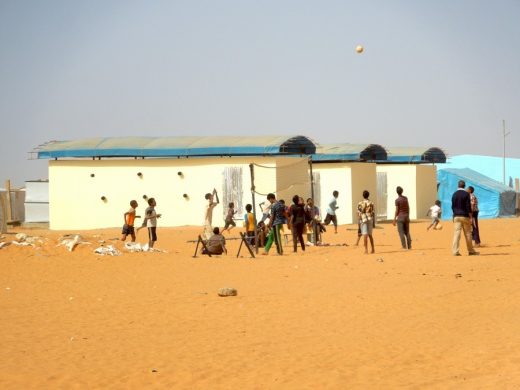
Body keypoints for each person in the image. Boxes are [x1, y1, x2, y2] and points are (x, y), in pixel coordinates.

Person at [451, 180, 479, 256]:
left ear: (458, 185)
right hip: (465, 216)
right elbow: (468, 206)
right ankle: (471, 251)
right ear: (464, 186)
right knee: (468, 234)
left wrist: (454, 215)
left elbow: (453, 206)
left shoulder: (454, 194)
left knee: (456, 234)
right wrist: (470, 217)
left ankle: (455, 251)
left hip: (456, 216)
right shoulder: (466, 194)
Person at [357, 190, 375, 254]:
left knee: (365, 235)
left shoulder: (360, 203)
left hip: (363, 219)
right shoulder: (371, 203)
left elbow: (359, 214)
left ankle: (366, 250)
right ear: (368, 195)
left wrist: (359, 224)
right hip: (370, 219)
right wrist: (374, 223)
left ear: (363, 195)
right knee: (370, 235)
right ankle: (373, 249)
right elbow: (373, 213)